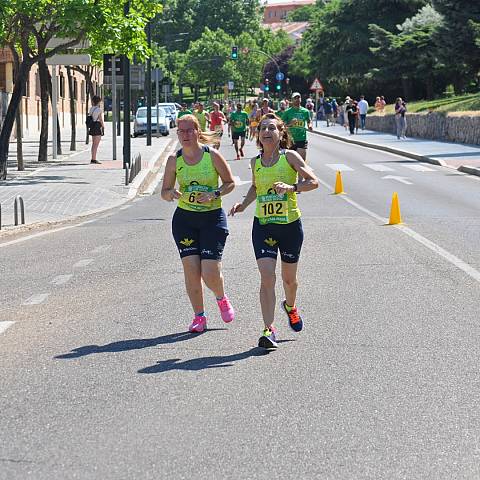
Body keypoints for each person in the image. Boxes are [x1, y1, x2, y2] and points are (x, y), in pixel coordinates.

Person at [229, 113, 318, 349]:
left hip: (289, 226)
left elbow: (314, 182)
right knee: (267, 277)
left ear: (281, 134)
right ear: (258, 136)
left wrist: (291, 187)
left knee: (289, 281)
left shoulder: (290, 157)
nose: (266, 131)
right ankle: (268, 330)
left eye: (271, 128)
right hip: (264, 226)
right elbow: (256, 188)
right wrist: (243, 204)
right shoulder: (255, 162)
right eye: (262, 128)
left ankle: (290, 306)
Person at [161, 114, 236, 333]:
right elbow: (164, 192)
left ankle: (221, 298)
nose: (185, 135)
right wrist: (171, 193)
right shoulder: (175, 160)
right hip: (185, 220)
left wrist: (215, 193)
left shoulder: (211, 156)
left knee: (210, 273)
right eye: (180, 131)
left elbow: (230, 183)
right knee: (192, 271)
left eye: (189, 130)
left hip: (212, 219)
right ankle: (199, 317)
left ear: (197, 131)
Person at [282, 92, 312, 161]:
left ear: (301, 99)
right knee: (290, 163)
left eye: (298, 97)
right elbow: (280, 125)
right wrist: (290, 124)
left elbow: (309, 120)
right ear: (292, 100)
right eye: (295, 98)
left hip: (301, 139)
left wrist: (309, 125)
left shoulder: (305, 111)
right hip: (290, 140)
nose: (297, 99)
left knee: (302, 162)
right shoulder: (287, 112)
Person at [87, 95, 104, 164]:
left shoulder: (91, 109)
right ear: (99, 101)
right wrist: (103, 126)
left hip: (92, 126)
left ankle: (93, 158)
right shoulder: (99, 110)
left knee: (93, 143)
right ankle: (93, 159)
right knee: (96, 144)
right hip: (97, 126)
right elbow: (100, 119)